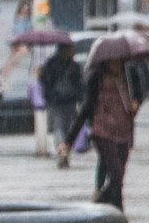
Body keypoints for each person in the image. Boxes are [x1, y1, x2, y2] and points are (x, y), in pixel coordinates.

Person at [60, 56, 143, 211]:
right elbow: (85, 110)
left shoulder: (129, 74)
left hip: (124, 130)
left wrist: (136, 102)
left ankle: (108, 205)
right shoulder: (96, 78)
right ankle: (117, 209)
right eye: (112, 61)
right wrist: (69, 141)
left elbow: (139, 93)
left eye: (118, 61)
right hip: (103, 132)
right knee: (116, 173)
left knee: (119, 177)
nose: (116, 64)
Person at [39, 41, 82, 168]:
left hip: (56, 100)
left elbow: (44, 82)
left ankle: (61, 150)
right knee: (67, 129)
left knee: (58, 128)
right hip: (69, 101)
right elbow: (79, 84)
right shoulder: (73, 65)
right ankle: (65, 151)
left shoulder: (49, 64)